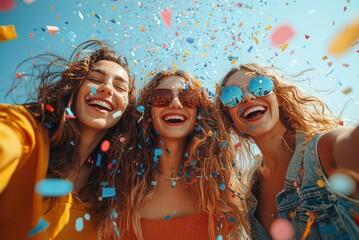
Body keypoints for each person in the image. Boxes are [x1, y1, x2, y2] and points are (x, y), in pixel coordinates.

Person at [0, 40, 137, 239]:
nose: (107, 89)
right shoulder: (26, 131)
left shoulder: (112, 190)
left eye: (120, 87)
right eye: (96, 79)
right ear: (74, 87)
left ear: (126, 108)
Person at [215, 63, 359, 239]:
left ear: (279, 99)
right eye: (232, 96)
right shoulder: (248, 199)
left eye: (260, 85)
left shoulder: (323, 150)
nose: (248, 97)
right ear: (230, 120)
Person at [121, 68, 250, 240]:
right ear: (148, 112)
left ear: (199, 112)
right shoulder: (121, 188)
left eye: (188, 97)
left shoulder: (223, 190)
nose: (175, 103)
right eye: (161, 97)